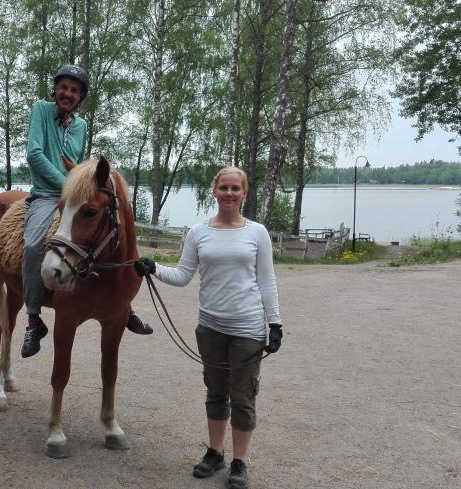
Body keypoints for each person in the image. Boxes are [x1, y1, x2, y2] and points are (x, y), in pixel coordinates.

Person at [134, 166, 283, 489]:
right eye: (223, 188)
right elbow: (184, 275)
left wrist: (275, 323)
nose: (229, 193)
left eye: (235, 188)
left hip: (248, 328)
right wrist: (154, 268)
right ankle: (215, 453)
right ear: (214, 191)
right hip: (210, 327)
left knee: (242, 396)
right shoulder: (199, 232)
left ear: (244, 193)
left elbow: (266, 281)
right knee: (215, 393)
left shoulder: (256, 232)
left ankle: (239, 462)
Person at [21, 64, 153, 359]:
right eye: (63, 87)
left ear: (80, 97)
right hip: (47, 194)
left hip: (76, 195)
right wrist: (69, 185)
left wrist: (82, 185)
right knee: (32, 245)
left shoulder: (80, 126)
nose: (67, 93)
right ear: (55, 89)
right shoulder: (40, 110)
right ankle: (32, 319)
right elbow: (34, 154)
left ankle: (124, 307)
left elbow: (79, 164)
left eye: (74, 90)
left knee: (112, 238)